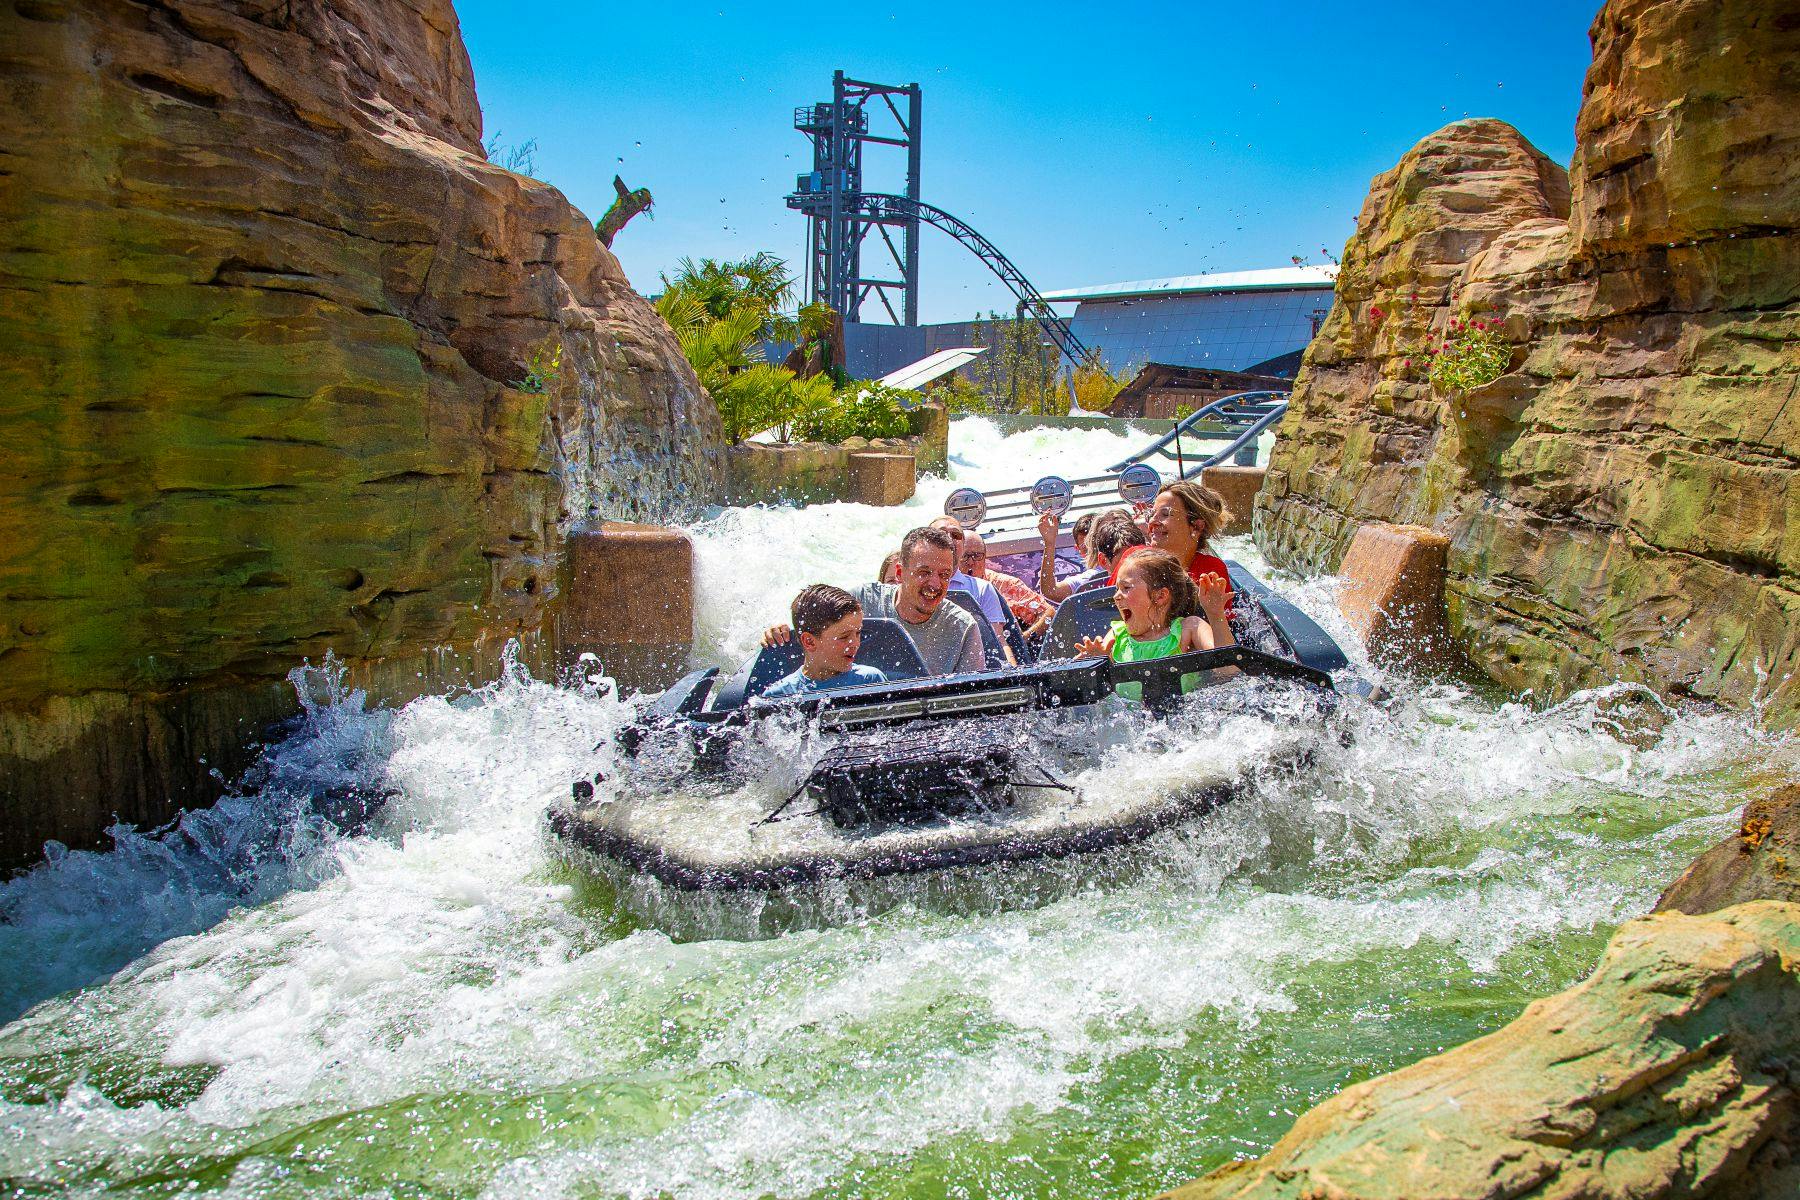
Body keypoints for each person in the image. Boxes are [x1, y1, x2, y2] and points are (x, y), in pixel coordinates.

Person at [763, 527, 984, 677]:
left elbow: (974, 703)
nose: (935, 584)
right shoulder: (861, 601)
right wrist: (782, 630)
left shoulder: (963, 628)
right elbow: (812, 618)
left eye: (944, 575)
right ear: (900, 573)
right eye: (924, 572)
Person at [1074, 548, 1234, 700]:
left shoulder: (1189, 629)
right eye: (1117, 588)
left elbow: (1228, 670)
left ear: (1160, 596)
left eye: (1126, 588)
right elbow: (1090, 691)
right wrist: (1094, 663)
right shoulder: (1117, 635)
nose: (1116, 596)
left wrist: (1215, 614)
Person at [761, 585, 889, 698]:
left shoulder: (871, 681)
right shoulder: (779, 696)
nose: (855, 643)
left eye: (858, 633)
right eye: (844, 637)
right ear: (809, 641)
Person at [926, 517, 1010, 643]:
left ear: (963, 544)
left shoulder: (983, 589)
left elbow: (999, 644)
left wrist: (1010, 663)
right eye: (941, 533)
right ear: (926, 542)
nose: (949, 538)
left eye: (955, 535)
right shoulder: (913, 586)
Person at [1144, 480, 1235, 597]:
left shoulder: (1211, 571)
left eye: (1165, 514)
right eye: (1151, 514)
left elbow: (1221, 615)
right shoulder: (1136, 565)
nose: (1152, 521)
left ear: (1196, 527)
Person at [959, 532, 1052, 636]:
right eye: (965, 556)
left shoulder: (1006, 585)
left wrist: (1025, 639)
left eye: (977, 556)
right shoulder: (945, 586)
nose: (971, 562)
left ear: (985, 557)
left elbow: (1048, 613)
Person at [1036, 511, 1107, 603]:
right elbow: (1050, 592)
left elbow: (1050, 592)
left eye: (1096, 546)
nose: (1093, 553)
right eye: (1086, 548)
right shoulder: (1088, 579)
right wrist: (1049, 543)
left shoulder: (1125, 568)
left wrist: (1050, 544)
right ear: (1078, 550)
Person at [1088, 509, 1149, 582]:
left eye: (1140, 561)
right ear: (1103, 560)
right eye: (1123, 563)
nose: (1133, 568)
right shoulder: (1092, 582)